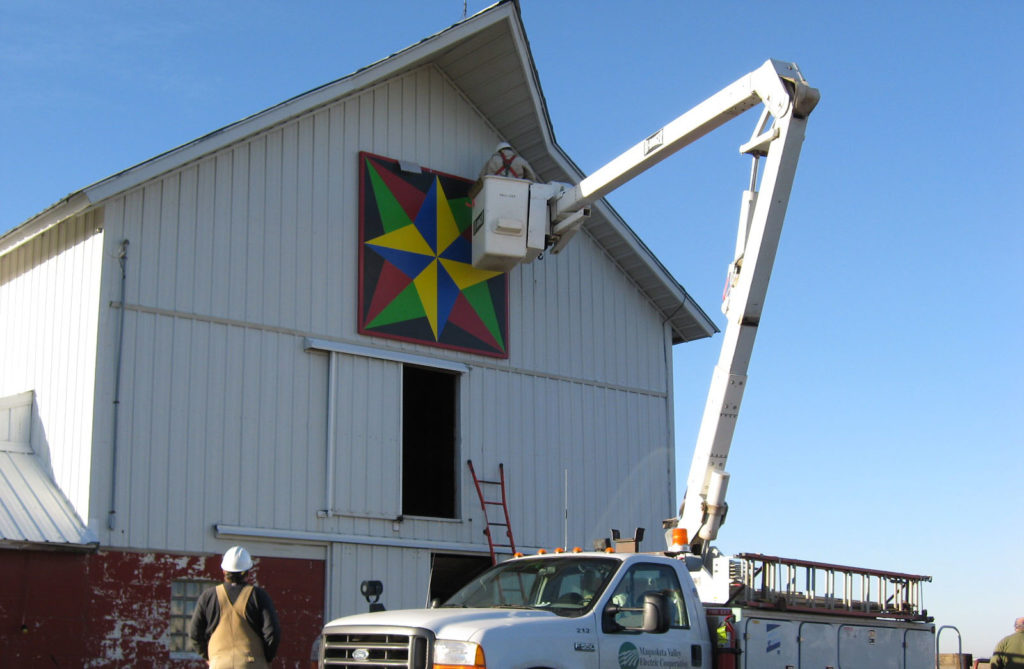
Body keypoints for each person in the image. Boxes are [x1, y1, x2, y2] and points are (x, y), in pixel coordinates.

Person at [190, 546, 281, 668]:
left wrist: (210, 657)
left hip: (219, 664)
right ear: (248, 572)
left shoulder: (208, 596)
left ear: (224, 571)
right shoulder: (258, 596)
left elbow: (195, 633)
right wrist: (266, 658)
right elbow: (272, 632)